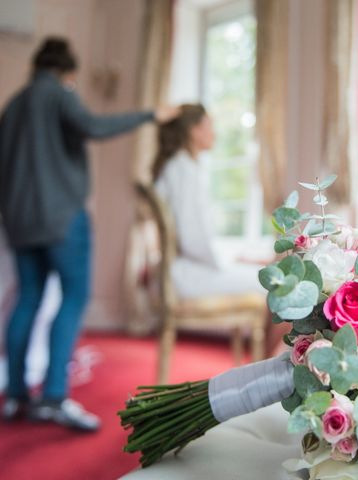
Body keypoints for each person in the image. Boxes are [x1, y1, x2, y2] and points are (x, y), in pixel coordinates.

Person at [0, 37, 179, 431]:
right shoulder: (60, 94)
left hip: (19, 221)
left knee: (27, 298)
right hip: (62, 218)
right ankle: (53, 398)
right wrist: (151, 114)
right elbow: (94, 126)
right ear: (69, 72)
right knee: (73, 296)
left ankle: (14, 397)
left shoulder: (12, 107)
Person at [153, 104, 262, 299]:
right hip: (187, 274)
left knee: (264, 276)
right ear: (194, 131)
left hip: (191, 268)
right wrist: (225, 261)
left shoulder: (184, 167)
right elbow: (190, 237)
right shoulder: (182, 170)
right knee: (272, 283)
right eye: (209, 126)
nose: (214, 133)